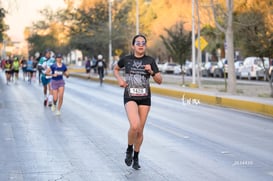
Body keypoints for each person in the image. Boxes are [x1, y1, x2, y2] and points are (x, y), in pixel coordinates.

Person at [113, 34, 162, 170]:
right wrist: (120, 80)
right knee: (134, 126)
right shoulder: (126, 59)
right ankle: (129, 149)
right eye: (138, 43)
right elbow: (116, 69)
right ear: (133, 46)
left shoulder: (150, 60)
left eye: (143, 43)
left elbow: (159, 80)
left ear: (145, 46)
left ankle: (136, 157)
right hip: (130, 96)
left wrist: (151, 71)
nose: (141, 45)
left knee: (140, 131)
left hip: (145, 98)